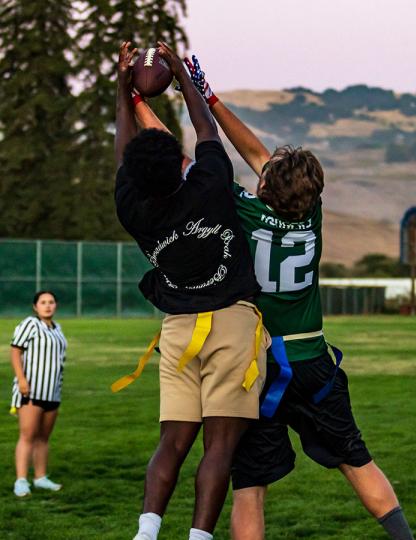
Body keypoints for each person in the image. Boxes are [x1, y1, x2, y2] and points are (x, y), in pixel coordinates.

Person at [183, 57, 416, 540]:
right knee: (356, 460)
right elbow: (259, 155)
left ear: (265, 187)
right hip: (312, 360)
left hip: (257, 365)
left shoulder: (244, 211)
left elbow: (185, 162)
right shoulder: (312, 214)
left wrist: (164, 100)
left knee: (249, 487)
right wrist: (213, 98)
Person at [114, 42, 267, 540]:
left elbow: (123, 158)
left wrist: (124, 91)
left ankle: (146, 531)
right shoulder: (208, 185)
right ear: (179, 168)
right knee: (219, 447)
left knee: (171, 443)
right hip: (232, 322)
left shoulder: (132, 209)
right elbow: (205, 132)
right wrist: (181, 76)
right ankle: (198, 537)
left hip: (178, 331)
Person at [10, 290, 67, 498]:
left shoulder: (57, 328)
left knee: (43, 438)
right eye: (43, 302)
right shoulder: (29, 324)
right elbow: (15, 351)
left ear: (56, 305)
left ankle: (41, 478)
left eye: (51, 302)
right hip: (31, 392)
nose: (47, 306)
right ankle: (21, 480)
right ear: (35, 306)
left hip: (52, 393)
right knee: (27, 436)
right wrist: (22, 380)